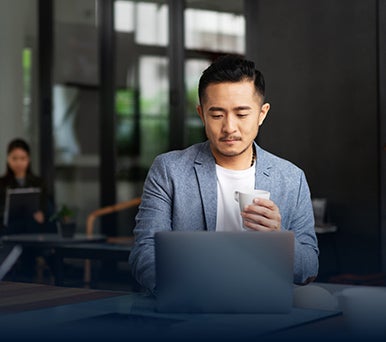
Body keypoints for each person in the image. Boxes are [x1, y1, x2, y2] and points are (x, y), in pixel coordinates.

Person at [129, 55, 319, 293]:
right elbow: (145, 252)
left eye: (241, 114)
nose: (229, 127)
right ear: (201, 114)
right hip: (187, 307)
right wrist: (182, 293)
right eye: (217, 115)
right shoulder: (169, 170)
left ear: (262, 114)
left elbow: (309, 269)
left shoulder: (291, 178)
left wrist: (278, 239)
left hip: (264, 307)